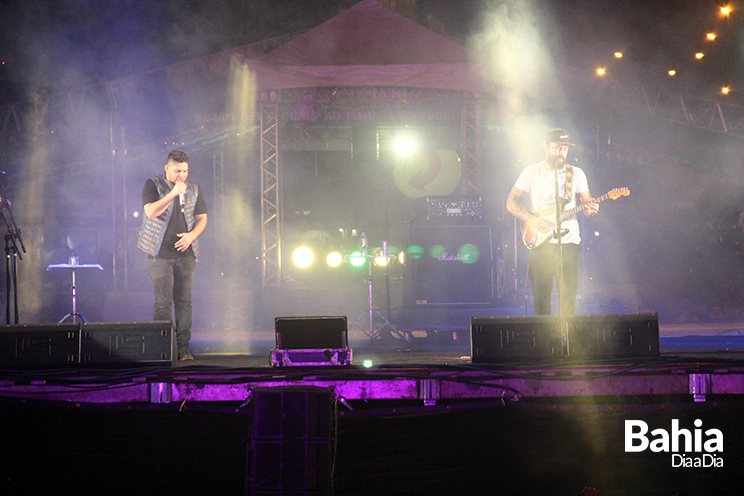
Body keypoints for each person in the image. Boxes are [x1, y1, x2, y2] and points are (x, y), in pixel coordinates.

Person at [506, 128, 598, 316]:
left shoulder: (577, 173)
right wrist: (532, 220)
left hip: (569, 243)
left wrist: (592, 210)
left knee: (568, 297)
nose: (561, 152)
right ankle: (544, 341)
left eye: (565, 148)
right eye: (557, 148)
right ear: (545, 147)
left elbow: (586, 204)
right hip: (541, 244)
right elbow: (511, 202)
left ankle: (567, 340)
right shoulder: (531, 172)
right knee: (541, 298)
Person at [137, 150, 208, 361]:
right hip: (160, 253)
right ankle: (163, 349)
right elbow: (150, 212)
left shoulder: (194, 189)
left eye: (185, 171)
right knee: (163, 303)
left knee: (184, 301)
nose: (181, 176)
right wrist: (173, 194)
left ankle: (183, 348)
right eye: (177, 171)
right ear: (167, 168)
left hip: (187, 254)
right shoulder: (153, 185)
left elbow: (202, 218)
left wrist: (191, 235)